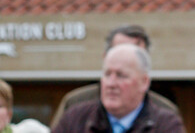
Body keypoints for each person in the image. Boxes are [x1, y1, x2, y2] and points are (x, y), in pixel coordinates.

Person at [50, 24, 179, 127]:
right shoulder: (75, 107)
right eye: (119, 51)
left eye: (137, 54)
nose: (112, 83)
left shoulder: (165, 117)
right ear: (105, 57)